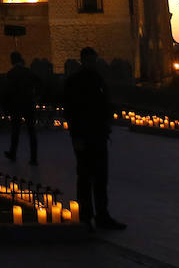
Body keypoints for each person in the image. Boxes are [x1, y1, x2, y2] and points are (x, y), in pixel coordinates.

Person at [63, 47, 126, 230]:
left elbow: (105, 103)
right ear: (83, 60)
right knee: (84, 177)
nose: (92, 63)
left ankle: (102, 215)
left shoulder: (98, 79)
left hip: (98, 135)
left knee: (100, 178)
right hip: (84, 136)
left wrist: (106, 125)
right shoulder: (74, 82)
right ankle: (85, 216)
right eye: (89, 60)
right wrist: (76, 136)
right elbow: (71, 111)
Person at [2, 51, 40, 164]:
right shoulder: (28, 72)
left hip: (16, 105)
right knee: (31, 131)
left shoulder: (11, 73)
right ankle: (34, 158)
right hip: (28, 103)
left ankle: (13, 153)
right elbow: (39, 83)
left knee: (16, 130)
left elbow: (7, 91)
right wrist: (36, 96)